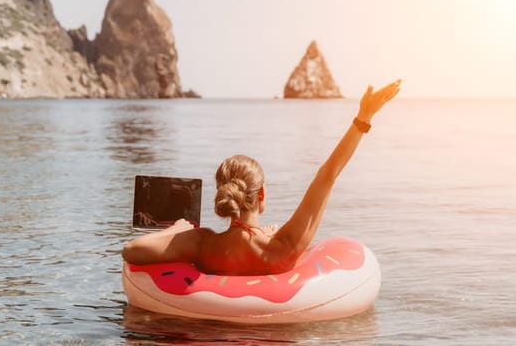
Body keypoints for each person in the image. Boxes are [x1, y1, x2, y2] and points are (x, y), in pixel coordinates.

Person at [122, 79, 401, 275]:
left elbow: (132, 250)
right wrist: (363, 117)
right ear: (262, 195)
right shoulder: (284, 246)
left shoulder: (201, 244)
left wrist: (179, 229)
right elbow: (328, 175)